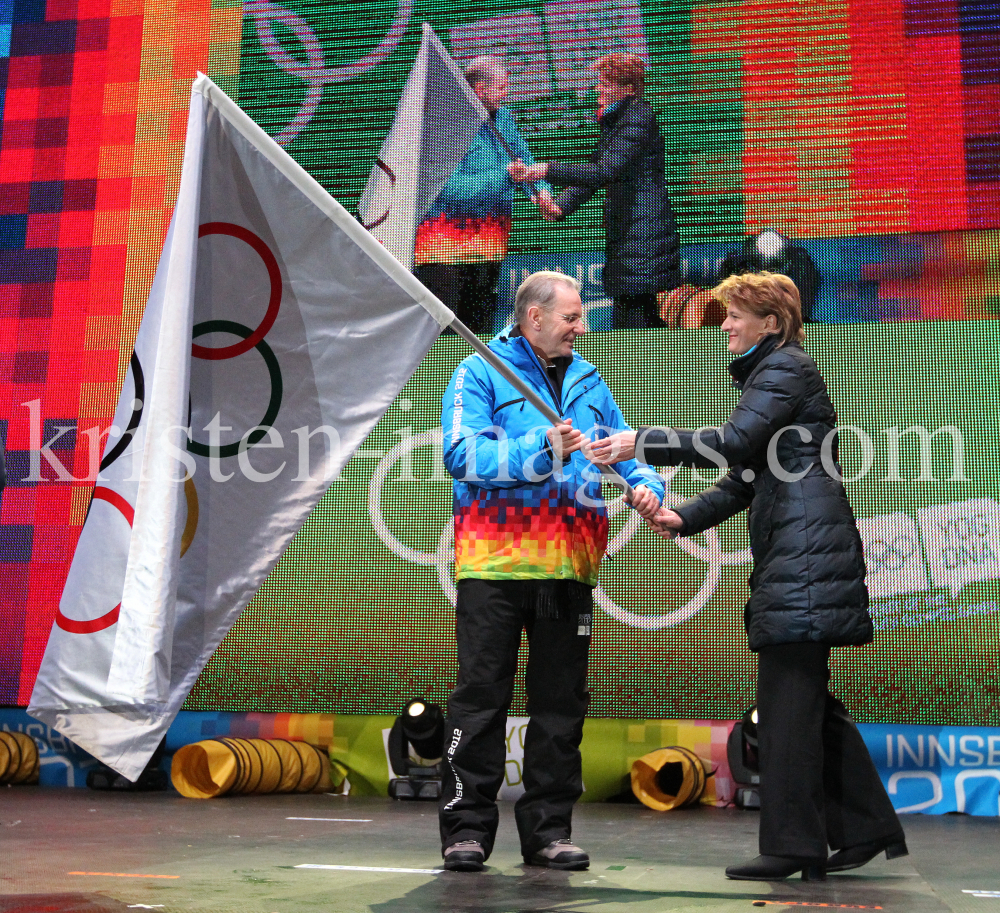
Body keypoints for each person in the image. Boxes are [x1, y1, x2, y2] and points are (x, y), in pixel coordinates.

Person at [588, 272, 906, 882]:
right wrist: (681, 517)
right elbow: (745, 478)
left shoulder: (785, 369)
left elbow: (735, 444)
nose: (725, 324)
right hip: (798, 550)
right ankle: (864, 828)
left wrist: (639, 444)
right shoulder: (773, 373)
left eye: (735, 314)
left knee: (787, 705)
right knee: (803, 701)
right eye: (726, 314)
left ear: (771, 322)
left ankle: (794, 846)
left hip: (804, 554)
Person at [438, 270, 665, 872]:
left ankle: (548, 831)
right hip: (496, 564)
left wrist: (646, 486)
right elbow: (461, 455)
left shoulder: (589, 380)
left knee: (560, 705)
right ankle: (466, 829)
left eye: (581, 316)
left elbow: (618, 446)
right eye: (571, 316)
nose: (581, 327)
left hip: (571, 566)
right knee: (481, 700)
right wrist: (543, 447)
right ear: (533, 317)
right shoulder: (481, 370)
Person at [507, 53, 681, 329]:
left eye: (607, 84)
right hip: (631, 232)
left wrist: (546, 170)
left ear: (629, 88)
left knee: (633, 320)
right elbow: (596, 171)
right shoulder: (620, 121)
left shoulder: (636, 120)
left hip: (643, 234)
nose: (599, 89)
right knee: (636, 314)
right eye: (599, 82)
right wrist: (561, 205)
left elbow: (603, 171)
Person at [414, 56, 555, 335]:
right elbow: (450, 189)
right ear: (479, 89)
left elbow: (521, 158)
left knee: (479, 325)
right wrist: (505, 175)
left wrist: (540, 192)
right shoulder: (444, 123)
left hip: (489, 238)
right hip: (445, 244)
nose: (507, 93)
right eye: (502, 87)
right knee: (447, 327)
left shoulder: (503, 117)